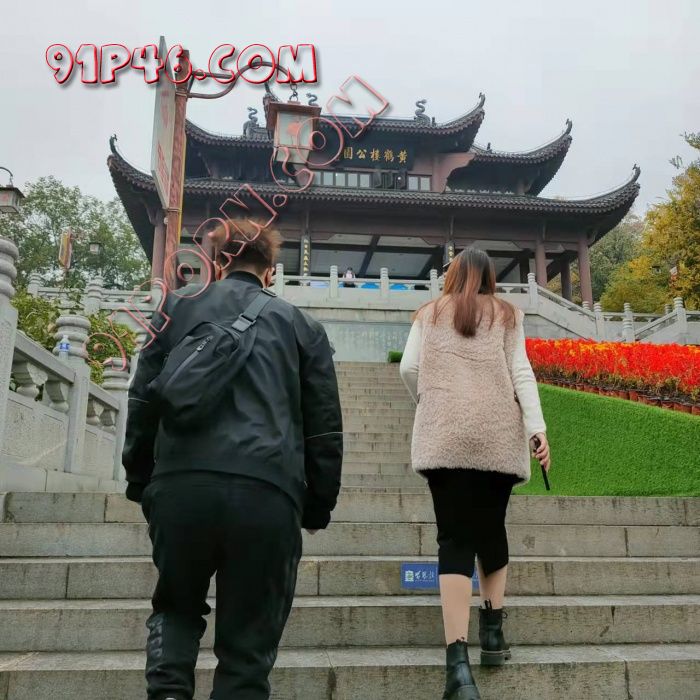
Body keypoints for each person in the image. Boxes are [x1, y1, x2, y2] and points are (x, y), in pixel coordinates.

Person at [122, 221, 343, 700]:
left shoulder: (174, 309)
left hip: (181, 487)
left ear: (219, 263)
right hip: (267, 493)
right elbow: (324, 427)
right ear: (271, 270)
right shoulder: (302, 326)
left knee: (175, 609)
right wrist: (318, 505)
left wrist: (139, 478)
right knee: (247, 651)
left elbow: (142, 400)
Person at [399, 248, 550, 700]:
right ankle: (494, 635)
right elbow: (521, 373)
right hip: (496, 435)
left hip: (444, 437)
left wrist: (430, 401)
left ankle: (458, 667)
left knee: (454, 540)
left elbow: (409, 367)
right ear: (489, 276)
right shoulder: (507, 314)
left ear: (453, 275)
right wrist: (537, 429)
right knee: (491, 530)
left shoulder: (429, 313)